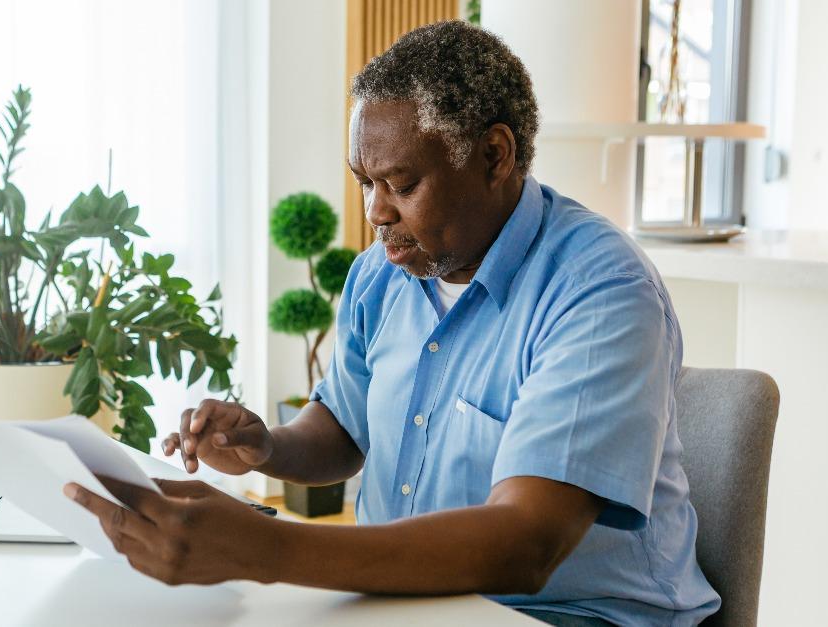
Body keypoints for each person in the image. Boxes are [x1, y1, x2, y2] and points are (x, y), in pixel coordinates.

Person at [64, 20, 720, 626]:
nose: (376, 212)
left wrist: (264, 546)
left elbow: (527, 543)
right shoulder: (385, 272)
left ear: (495, 156)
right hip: (414, 605)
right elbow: (346, 428)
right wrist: (269, 445)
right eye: (364, 181)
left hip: (571, 615)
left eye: (401, 184)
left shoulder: (600, 291)